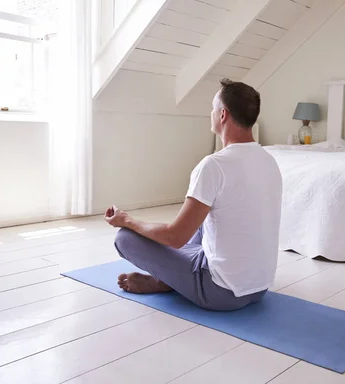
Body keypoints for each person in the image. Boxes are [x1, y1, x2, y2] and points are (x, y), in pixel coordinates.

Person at [105, 78, 282, 311]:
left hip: (221, 292)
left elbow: (176, 237)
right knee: (207, 216)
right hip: (259, 288)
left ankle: (166, 281)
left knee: (124, 238)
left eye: (212, 108)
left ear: (222, 115)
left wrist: (127, 220)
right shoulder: (270, 160)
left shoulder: (214, 165)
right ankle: (173, 278)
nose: (210, 113)